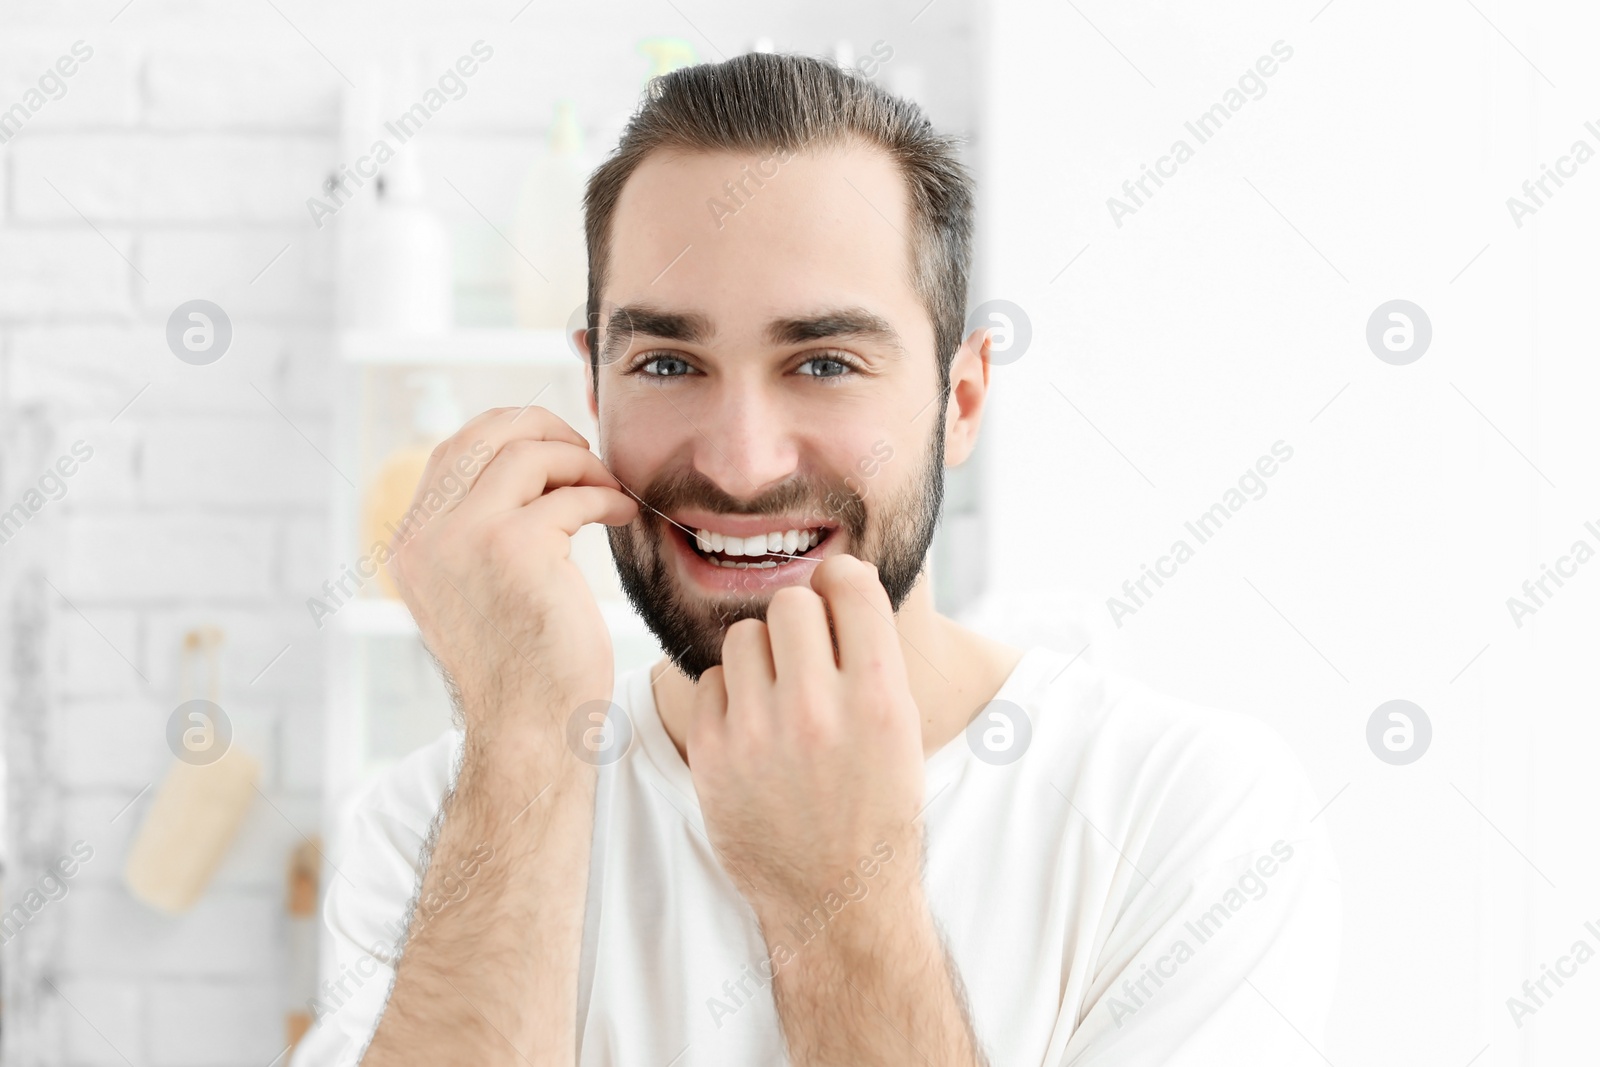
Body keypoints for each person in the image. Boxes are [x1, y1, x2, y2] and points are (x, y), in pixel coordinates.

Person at [292, 51, 1339, 1067]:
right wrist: (521, 737)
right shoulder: (431, 830)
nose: (742, 466)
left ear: (960, 399)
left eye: (825, 362)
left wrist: (838, 891)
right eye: (665, 362)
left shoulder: (1187, 817)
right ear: (595, 392)